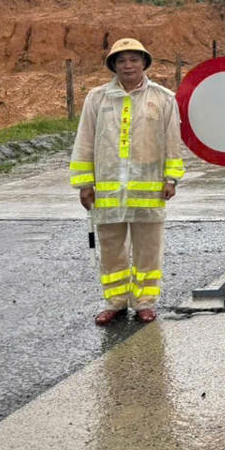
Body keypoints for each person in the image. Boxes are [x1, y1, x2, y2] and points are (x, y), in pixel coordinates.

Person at [69, 38, 185, 326]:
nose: (128, 65)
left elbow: (173, 141)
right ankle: (115, 302)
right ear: (113, 66)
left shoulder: (163, 98)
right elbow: (84, 141)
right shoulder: (97, 99)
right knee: (110, 249)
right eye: (121, 60)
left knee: (148, 249)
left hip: (149, 189)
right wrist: (85, 184)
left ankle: (145, 302)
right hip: (108, 191)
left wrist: (171, 178)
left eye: (134, 59)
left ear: (144, 62)